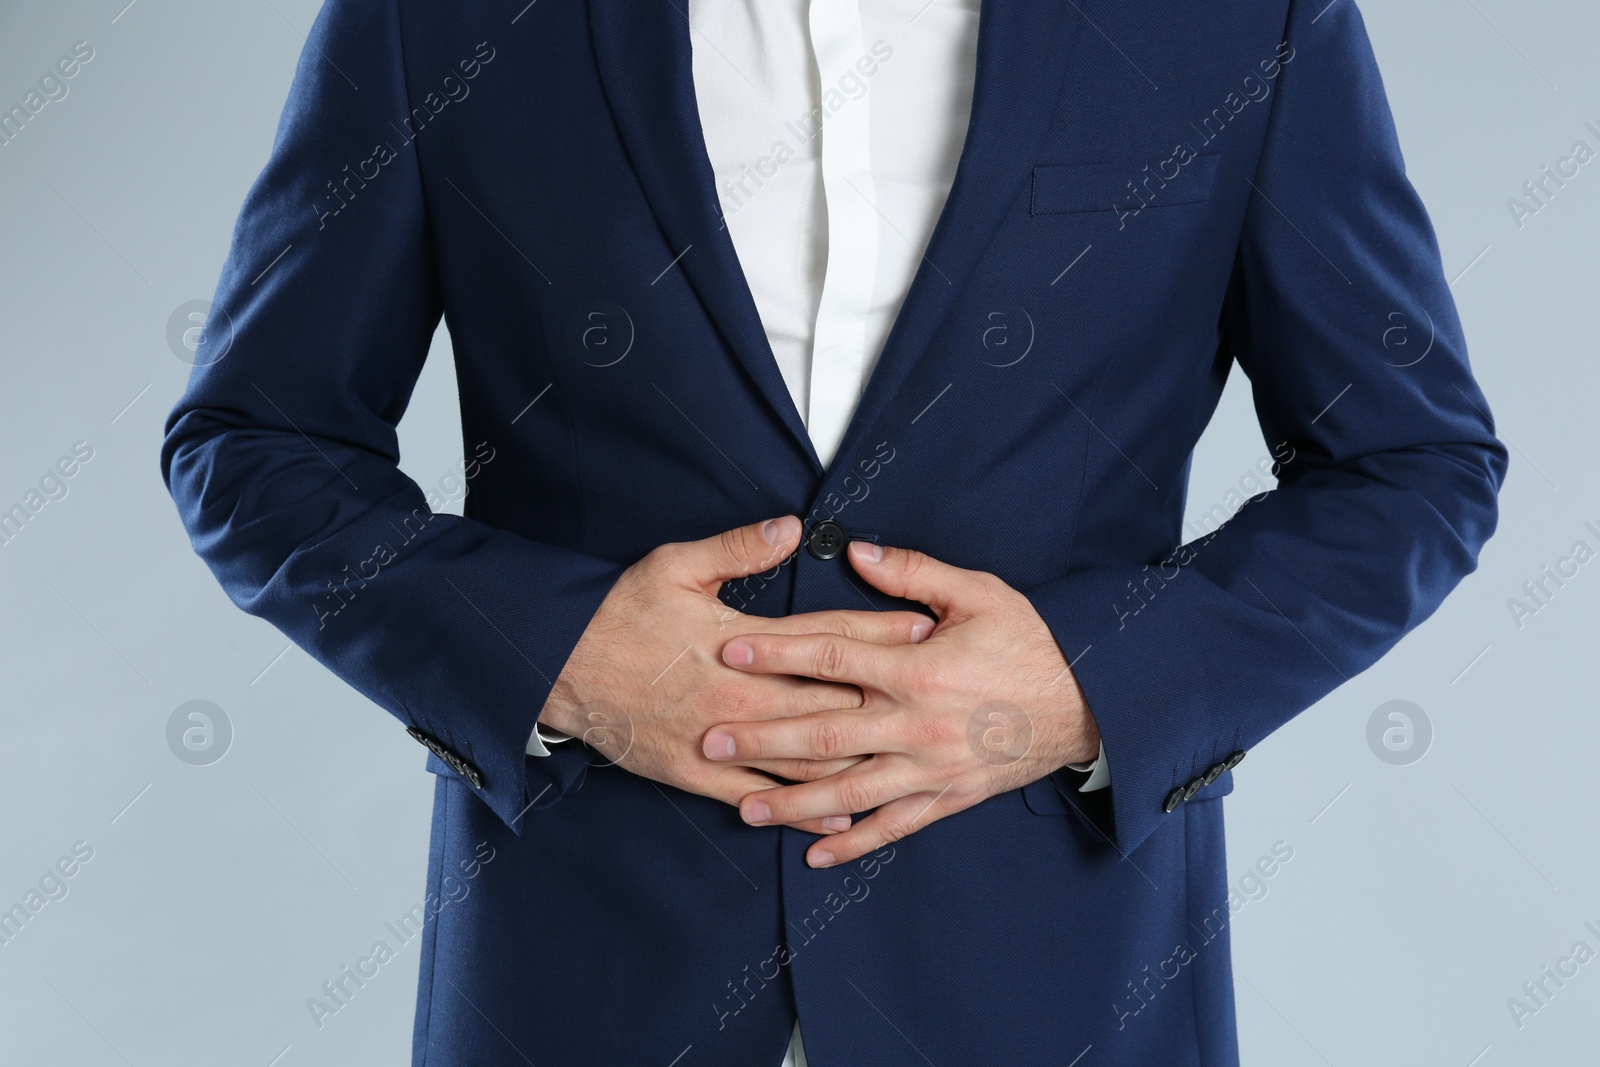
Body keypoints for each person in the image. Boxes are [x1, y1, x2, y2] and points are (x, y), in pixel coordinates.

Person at [161, 0, 1505, 1063]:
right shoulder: (436, 17)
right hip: (588, 985)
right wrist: (558, 658)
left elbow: (1413, 463)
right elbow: (255, 442)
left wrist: (1087, 681)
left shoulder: (1238, 14)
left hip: (1053, 992)